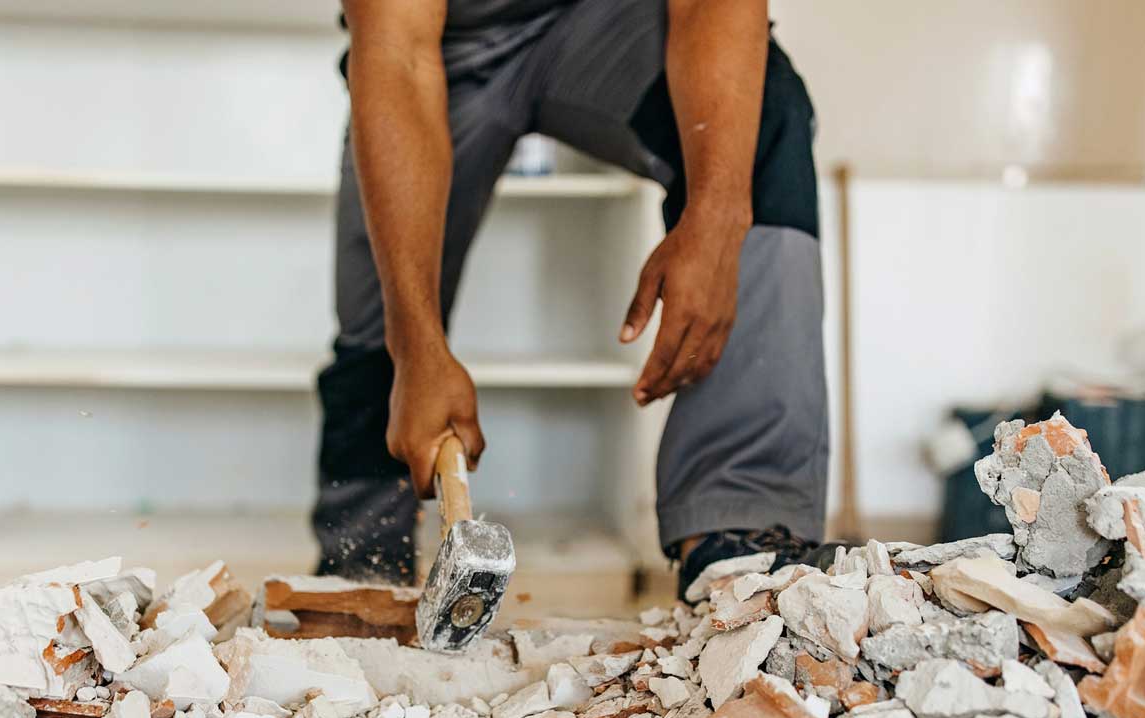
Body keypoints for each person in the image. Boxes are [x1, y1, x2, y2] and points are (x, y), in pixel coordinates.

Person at [312, 0, 828, 599]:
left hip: (604, 15)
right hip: (440, 37)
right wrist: (415, 341)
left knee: (765, 117)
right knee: (390, 305)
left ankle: (741, 537)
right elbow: (397, 51)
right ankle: (361, 563)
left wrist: (717, 217)